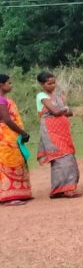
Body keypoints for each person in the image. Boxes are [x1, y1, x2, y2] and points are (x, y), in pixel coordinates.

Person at [35, 72, 81, 198]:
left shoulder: (58, 96)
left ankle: (61, 189)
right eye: (49, 83)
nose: (52, 86)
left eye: (54, 83)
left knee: (67, 157)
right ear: (42, 84)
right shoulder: (41, 96)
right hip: (51, 132)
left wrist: (64, 110)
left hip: (63, 132)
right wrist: (64, 110)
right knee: (62, 159)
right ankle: (64, 189)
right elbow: (56, 111)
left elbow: (69, 112)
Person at [0, 73, 32, 205]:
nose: (11, 85)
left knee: (16, 161)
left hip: (10, 136)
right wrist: (22, 132)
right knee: (8, 163)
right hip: (5, 136)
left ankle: (18, 193)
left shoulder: (5, 99)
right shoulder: (1, 100)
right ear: (1, 85)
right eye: (9, 83)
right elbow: (7, 120)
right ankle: (9, 196)